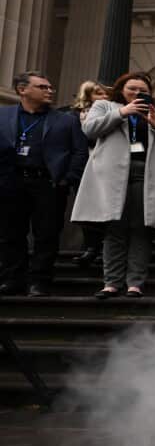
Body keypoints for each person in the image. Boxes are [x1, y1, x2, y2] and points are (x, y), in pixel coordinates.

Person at [72, 72, 155, 299]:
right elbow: (90, 130)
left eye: (142, 90)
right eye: (131, 88)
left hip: (147, 174)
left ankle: (135, 283)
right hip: (112, 176)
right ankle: (111, 283)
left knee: (141, 229)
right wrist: (122, 112)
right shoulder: (104, 106)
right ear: (121, 89)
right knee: (115, 229)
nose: (137, 93)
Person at [0, 72, 88, 296]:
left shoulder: (66, 119)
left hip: (48, 183)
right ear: (23, 90)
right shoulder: (3, 115)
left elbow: (79, 152)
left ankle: (39, 281)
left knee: (46, 235)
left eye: (50, 87)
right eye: (42, 87)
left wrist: (68, 179)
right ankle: (13, 279)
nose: (50, 90)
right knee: (10, 233)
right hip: (11, 182)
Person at [69, 81, 109, 269]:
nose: (104, 96)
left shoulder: (112, 114)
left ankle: (103, 250)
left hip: (105, 167)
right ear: (87, 95)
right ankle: (90, 248)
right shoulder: (72, 116)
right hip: (83, 167)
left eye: (104, 93)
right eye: (98, 93)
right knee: (86, 212)